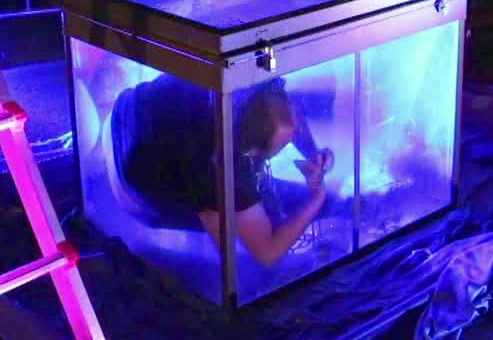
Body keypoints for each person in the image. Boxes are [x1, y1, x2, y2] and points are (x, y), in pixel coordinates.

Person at [106, 75, 332, 266]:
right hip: (131, 187)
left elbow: (286, 114)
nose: (293, 138)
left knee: (256, 204)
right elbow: (267, 253)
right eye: (283, 144)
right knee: (240, 224)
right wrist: (316, 199)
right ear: (250, 152)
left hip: (128, 107)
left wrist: (313, 153)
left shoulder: (252, 78)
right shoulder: (219, 165)